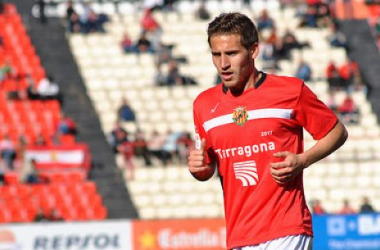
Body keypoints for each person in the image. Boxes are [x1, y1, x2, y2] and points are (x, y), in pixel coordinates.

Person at [188, 12, 348, 250]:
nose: (223, 63)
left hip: (287, 229)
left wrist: (302, 160)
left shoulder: (290, 91)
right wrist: (198, 167)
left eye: (231, 53)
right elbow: (208, 167)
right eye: (216, 54)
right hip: (239, 235)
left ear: (253, 51)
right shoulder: (203, 105)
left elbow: (337, 132)